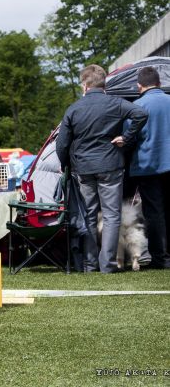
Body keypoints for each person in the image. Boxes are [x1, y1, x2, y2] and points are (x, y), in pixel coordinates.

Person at [56, 64, 148, 273]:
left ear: (85, 85)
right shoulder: (115, 103)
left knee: (88, 214)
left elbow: (62, 144)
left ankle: (90, 264)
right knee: (111, 215)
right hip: (110, 166)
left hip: (83, 169)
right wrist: (126, 137)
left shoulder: (74, 109)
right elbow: (140, 114)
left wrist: (65, 165)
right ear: (103, 83)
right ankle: (107, 264)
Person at [128, 66, 170, 269]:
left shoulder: (136, 107)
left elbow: (129, 139)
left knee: (154, 214)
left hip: (148, 167)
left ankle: (159, 258)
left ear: (139, 86)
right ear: (159, 83)